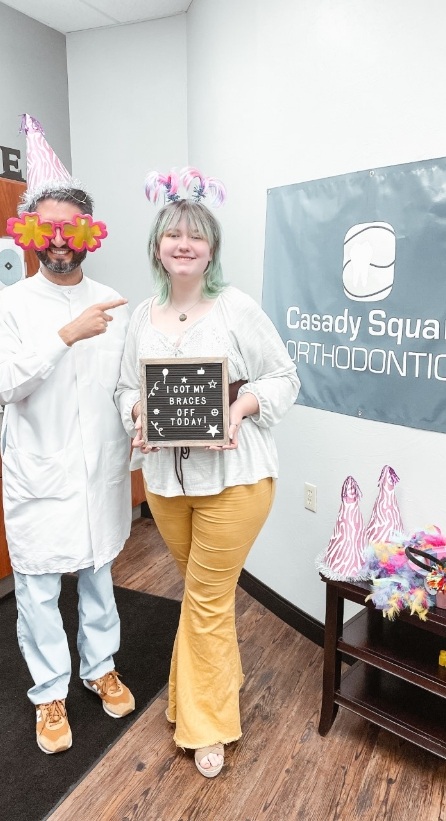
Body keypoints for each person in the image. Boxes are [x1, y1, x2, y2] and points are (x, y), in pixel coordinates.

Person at [115, 172, 300, 778]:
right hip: (167, 486)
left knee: (207, 598)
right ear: (157, 248)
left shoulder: (236, 308)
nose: (184, 244)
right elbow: (124, 390)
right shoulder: (142, 316)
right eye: (173, 234)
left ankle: (207, 725)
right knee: (201, 596)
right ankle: (196, 690)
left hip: (236, 481)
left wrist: (239, 407)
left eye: (196, 236)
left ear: (212, 249)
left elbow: (283, 379)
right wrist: (138, 412)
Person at [1, 127, 135, 754]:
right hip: (40, 472)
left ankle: (100, 666)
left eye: (71, 226)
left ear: (89, 231)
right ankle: (50, 693)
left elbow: (125, 387)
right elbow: (6, 385)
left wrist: (146, 420)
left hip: (99, 472)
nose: (59, 239)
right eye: (45, 227)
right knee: (36, 587)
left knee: (99, 576)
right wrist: (64, 334)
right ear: (29, 233)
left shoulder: (114, 303)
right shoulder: (13, 305)